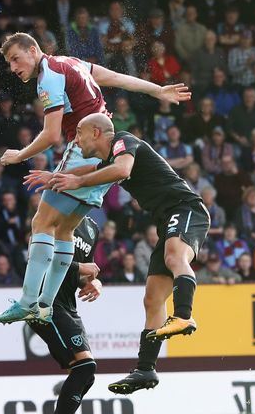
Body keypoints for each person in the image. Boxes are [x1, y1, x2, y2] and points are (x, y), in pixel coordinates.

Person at [0, 32, 190, 324]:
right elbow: (116, 77)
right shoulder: (71, 63)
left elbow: (52, 134)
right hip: (104, 149)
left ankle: (28, 301)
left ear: (33, 51)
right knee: (64, 231)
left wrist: (20, 155)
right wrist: (156, 90)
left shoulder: (48, 76)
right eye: (9, 63)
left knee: (41, 222)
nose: (13, 67)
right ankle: (44, 306)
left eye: (16, 59)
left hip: (85, 147)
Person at [43, 112, 210, 394]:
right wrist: (57, 176)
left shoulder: (124, 141)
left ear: (97, 132)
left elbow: (121, 171)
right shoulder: (110, 158)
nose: (76, 139)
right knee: (153, 297)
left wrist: (77, 183)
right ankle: (146, 369)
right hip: (167, 219)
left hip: (185, 209)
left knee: (173, 257)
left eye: (79, 133)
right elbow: (92, 169)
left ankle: (184, 315)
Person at [27, 216, 102, 414]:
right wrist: (78, 266)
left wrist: (94, 283)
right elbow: (38, 256)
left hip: (67, 306)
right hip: (45, 302)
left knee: (85, 374)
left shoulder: (92, 227)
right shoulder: (55, 211)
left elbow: (87, 272)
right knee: (85, 367)